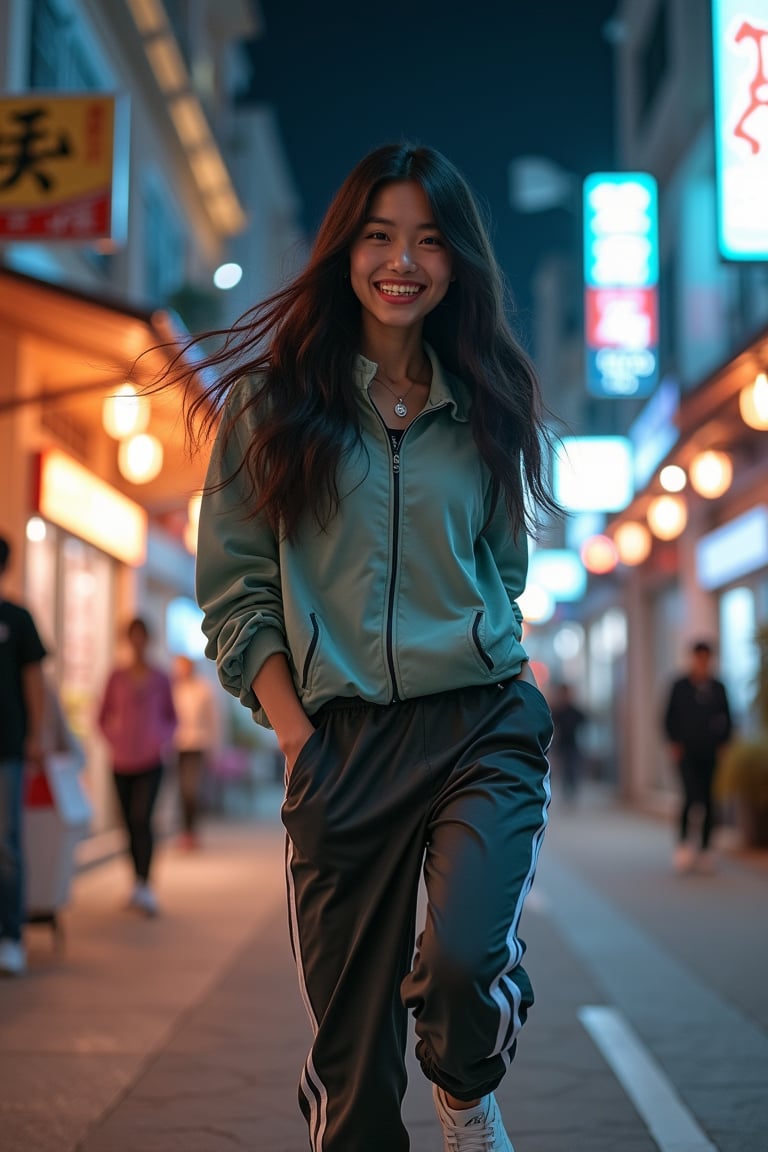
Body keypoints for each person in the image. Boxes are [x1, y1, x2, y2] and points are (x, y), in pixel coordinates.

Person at [189, 143, 558, 1152]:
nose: (405, 261)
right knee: (352, 1083)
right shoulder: (273, 408)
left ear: (458, 264)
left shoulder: (488, 402)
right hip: (341, 745)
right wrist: (300, 733)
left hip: (479, 721)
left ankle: (469, 1078)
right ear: (345, 250)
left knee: (461, 967)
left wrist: (470, 642)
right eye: (381, 235)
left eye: (430, 240)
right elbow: (235, 592)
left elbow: (503, 572)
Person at [97, 617, 176, 915]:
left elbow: (173, 718)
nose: (138, 641)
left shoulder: (161, 677)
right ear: (128, 640)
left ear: (149, 639)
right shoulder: (116, 676)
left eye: (142, 636)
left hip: (152, 761)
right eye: (133, 636)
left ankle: (146, 884)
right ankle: (135, 882)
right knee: (129, 822)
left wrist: (161, 739)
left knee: (143, 818)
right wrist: (113, 739)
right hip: (121, 761)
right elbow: (101, 716)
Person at [0, 535, 47, 976]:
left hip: (8, 747)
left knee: (6, 844)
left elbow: (35, 682)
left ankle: (11, 935)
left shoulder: (17, 619)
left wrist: (35, 736)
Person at [663, 639, 732, 872]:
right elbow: (667, 717)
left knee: (709, 800)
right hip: (686, 753)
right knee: (691, 797)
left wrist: (724, 744)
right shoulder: (680, 686)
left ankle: (705, 848)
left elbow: (728, 719)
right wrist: (673, 742)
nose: (702, 662)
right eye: (699, 657)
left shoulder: (717, 687)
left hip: (710, 752)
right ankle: (683, 845)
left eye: (706, 658)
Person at [171, 654, 219, 849]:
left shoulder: (202, 689)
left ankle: (191, 830)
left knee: (191, 789)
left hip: (197, 744)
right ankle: (185, 832)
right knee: (181, 790)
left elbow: (212, 720)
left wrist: (214, 746)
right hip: (176, 745)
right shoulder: (173, 690)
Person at [549, 681, 587, 802]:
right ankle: (567, 791)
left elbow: (584, 719)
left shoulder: (574, 710)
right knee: (565, 768)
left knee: (572, 767)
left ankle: (572, 790)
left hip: (573, 743)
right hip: (561, 744)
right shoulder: (557, 710)